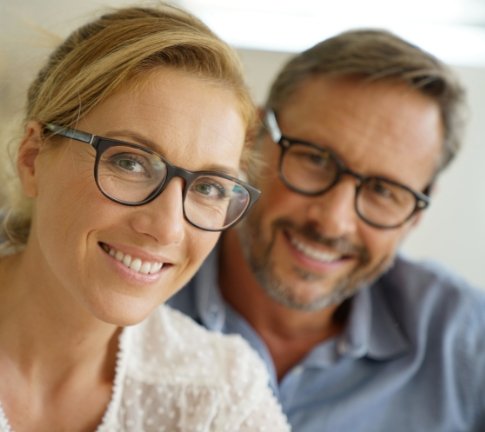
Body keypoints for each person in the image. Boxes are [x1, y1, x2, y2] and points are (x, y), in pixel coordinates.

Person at [169, 28, 485, 431]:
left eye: (383, 191)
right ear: (254, 136)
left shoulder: (466, 340)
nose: (333, 221)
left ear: (416, 213)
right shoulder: (132, 287)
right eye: (316, 159)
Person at [0, 4, 291, 431]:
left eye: (209, 187)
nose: (168, 227)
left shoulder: (220, 393)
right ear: (32, 159)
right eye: (131, 163)